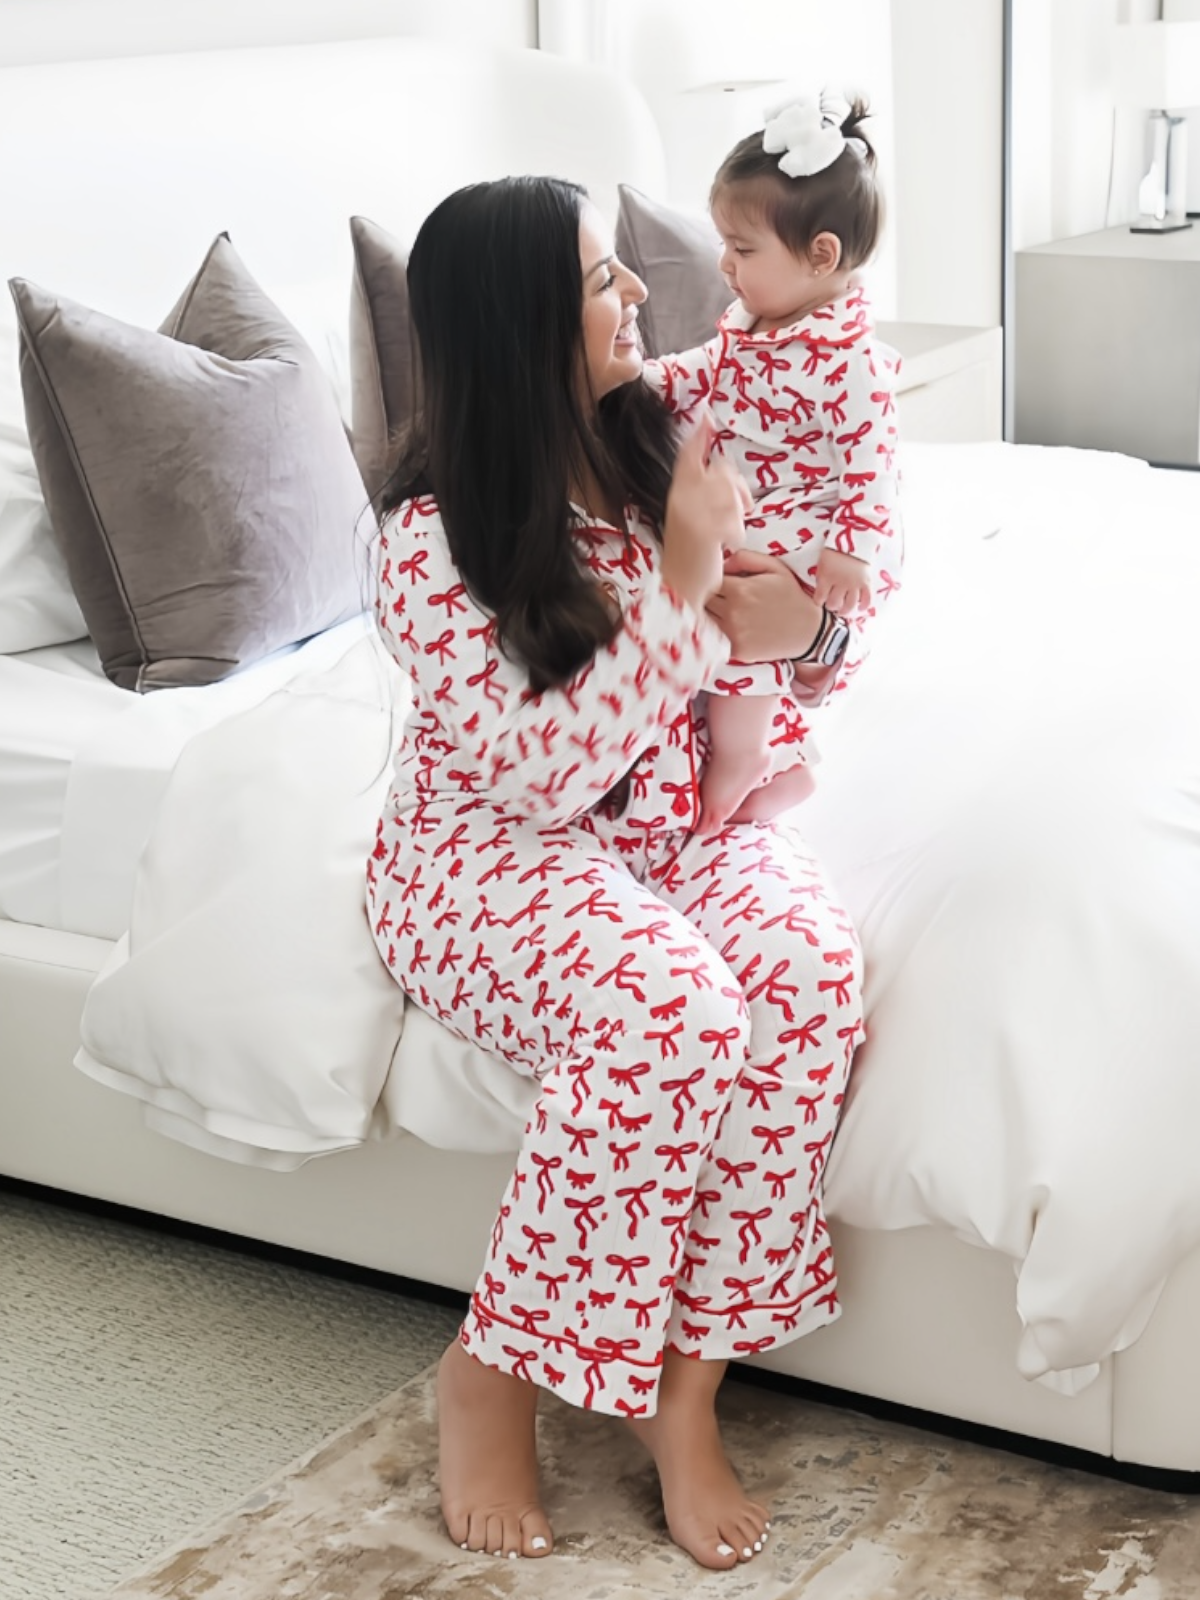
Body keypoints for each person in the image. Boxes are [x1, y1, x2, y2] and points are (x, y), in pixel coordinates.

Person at [366, 174, 864, 1572]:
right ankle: (496, 1369)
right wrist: (690, 596)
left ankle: (680, 1393)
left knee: (808, 973)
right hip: (486, 863)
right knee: (674, 1011)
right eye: (599, 279)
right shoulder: (427, 542)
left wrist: (806, 623)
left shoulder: (650, 451)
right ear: (523, 322)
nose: (638, 290)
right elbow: (536, 771)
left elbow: (769, 636)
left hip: (660, 837)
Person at [647, 89, 904, 836]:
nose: (724, 265)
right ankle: (785, 764)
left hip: (817, 527)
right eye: (722, 242)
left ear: (821, 256)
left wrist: (851, 551)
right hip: (765, 502)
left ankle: (745, 755)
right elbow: (700, 371)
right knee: (714, 595)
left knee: (734, 612)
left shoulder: (848, 360)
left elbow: (872, 465)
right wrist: (643, 383)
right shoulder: (756, 321)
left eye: (743, 248)